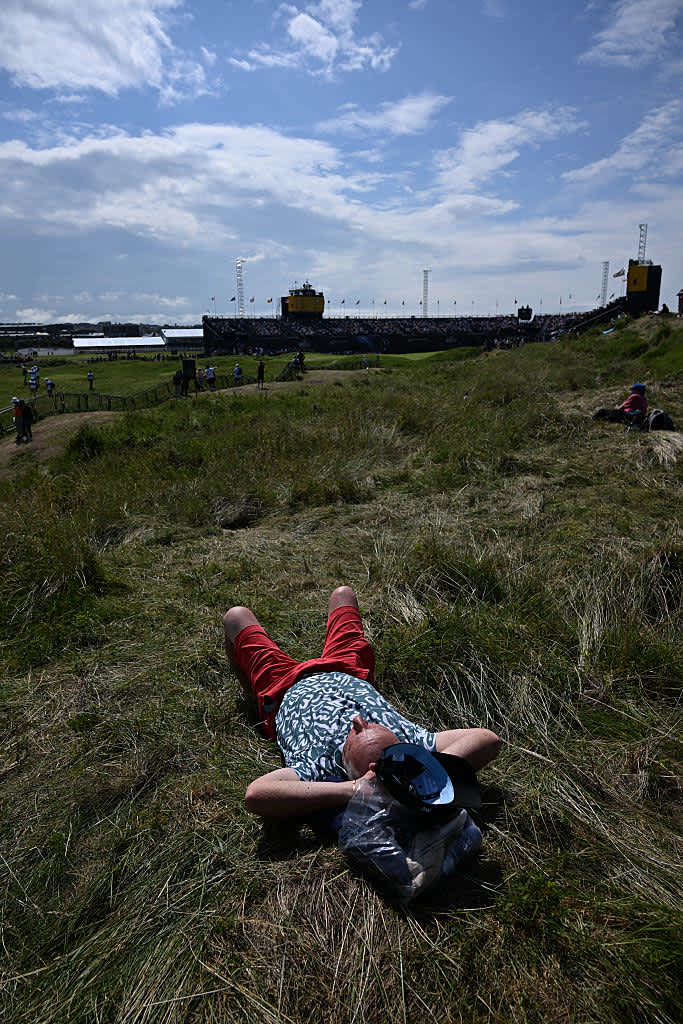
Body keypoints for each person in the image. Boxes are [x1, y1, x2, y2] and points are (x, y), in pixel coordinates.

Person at [224, 586, 501, 818]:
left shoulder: (320, 769)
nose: (358, 720)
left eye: (356, 733)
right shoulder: (410, 745)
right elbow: (486, 739)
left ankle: (249, 689)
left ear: (346, 763)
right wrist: (415, 775)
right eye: (369, 726)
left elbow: (257, 794)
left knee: (235, 617)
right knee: (343, 594)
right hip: (346, 668)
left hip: (281, 686)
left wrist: (355, 789)